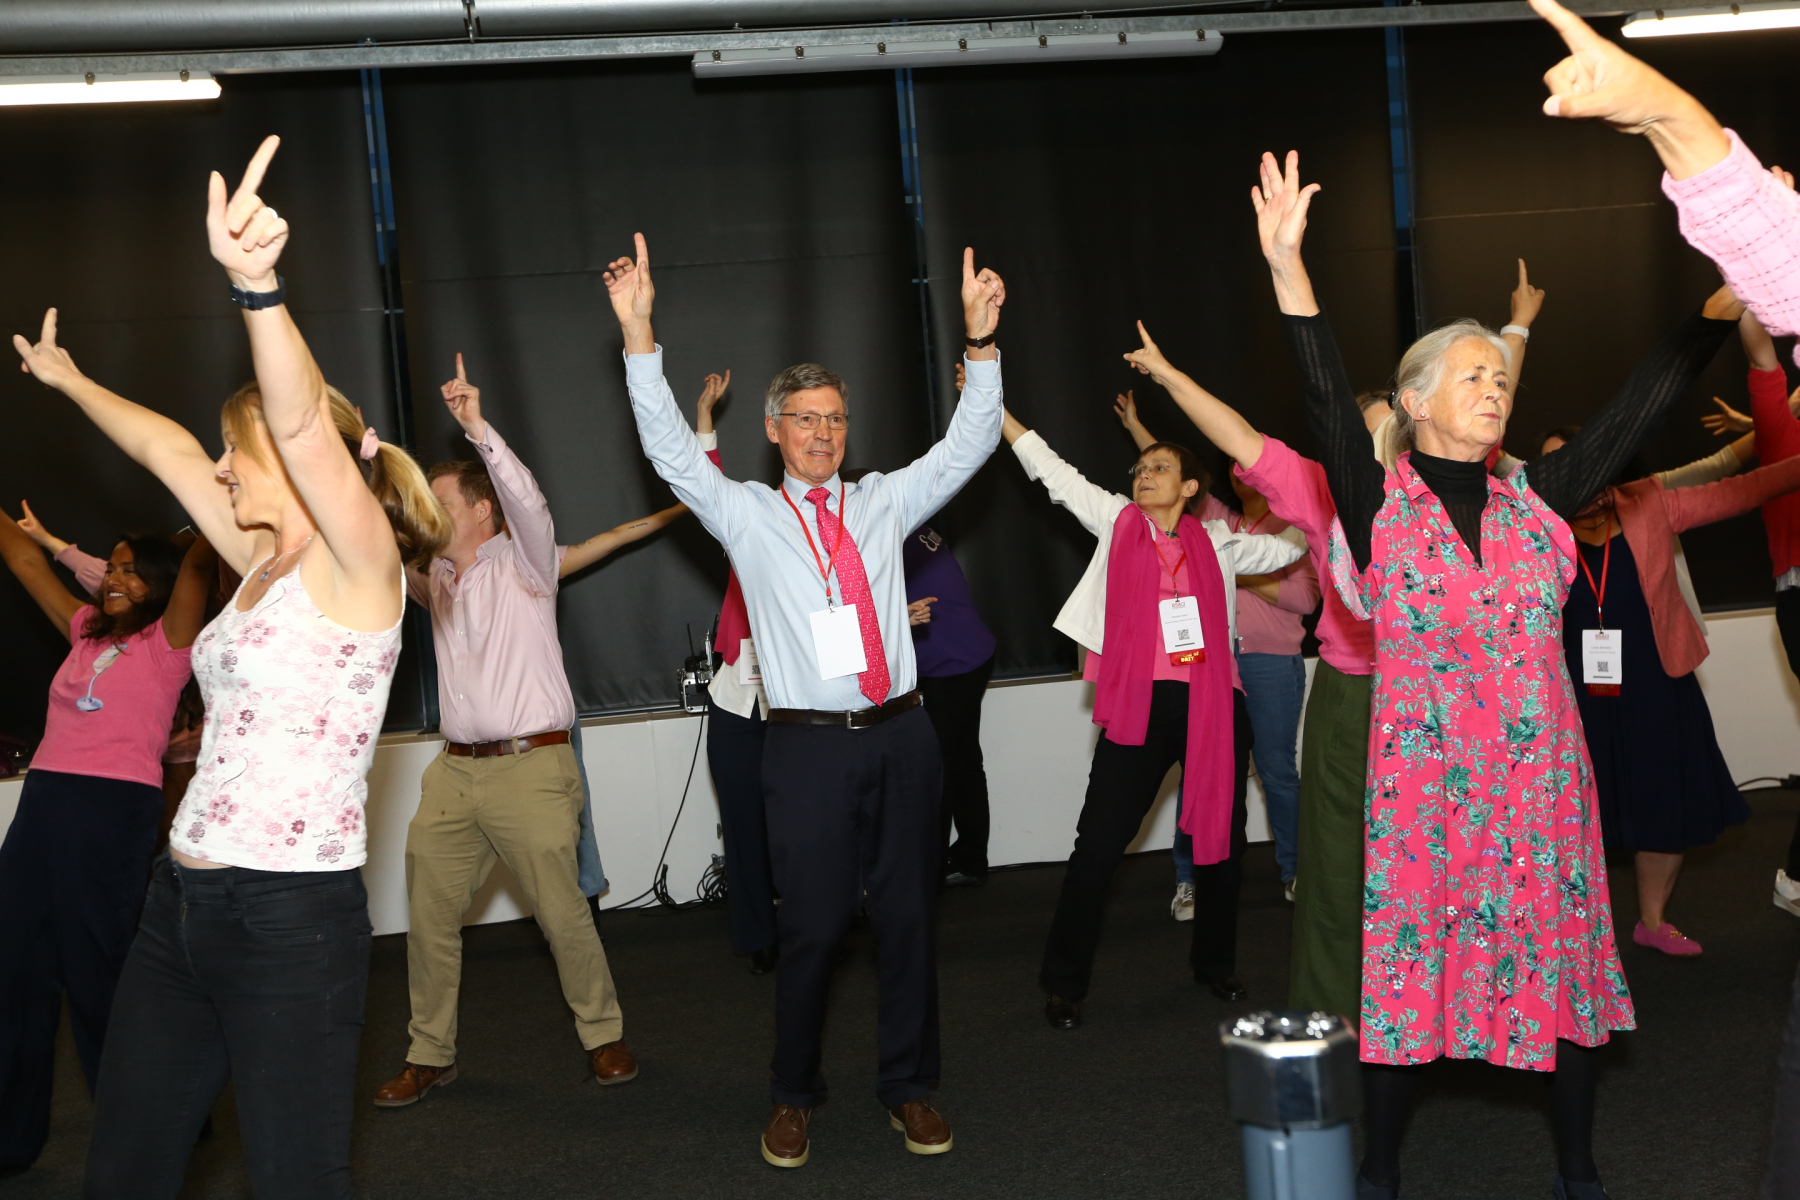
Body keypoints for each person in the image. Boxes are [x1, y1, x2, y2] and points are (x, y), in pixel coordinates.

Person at [1255, 146, 1740, 1199]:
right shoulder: (1378, 508)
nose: (1494, 388)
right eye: (1472, 374)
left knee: (1560, 977)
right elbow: (1327, 401)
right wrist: (1289, 269)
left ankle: (1578, 1169)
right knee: (1405, 981)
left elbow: (1640, 404)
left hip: (1542, 794)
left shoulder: (1541, 499)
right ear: (1416, 403)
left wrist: (1712, 311)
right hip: (1426, 800)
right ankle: (1381, 1170)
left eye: (1501, 377)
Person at [12, 136, 450, 1199]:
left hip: (290, 923)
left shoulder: (360, 567)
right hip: (181, 903)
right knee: (126, 1162)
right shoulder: (257, 561)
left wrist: (257, 286)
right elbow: (165, 448)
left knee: (296, 1177)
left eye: (235, 453)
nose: (218, 468)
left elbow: (296, 420)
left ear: (300, 467)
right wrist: (71, 382)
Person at [606, 232, 1004, 1167]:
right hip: (808, 751)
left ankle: (909, 1086)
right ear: (774, 430)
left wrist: (981, 345)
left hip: (903, 738)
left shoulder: (884, 501)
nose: (823, 434)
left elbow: (971, 442)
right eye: (806, 419)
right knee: (814, 929)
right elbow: (668, 451)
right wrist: (638, 335)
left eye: (835, 419)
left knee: (908, 922)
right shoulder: (747, 513)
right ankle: (793, 1094)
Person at [1526, 10, 1800, 1191]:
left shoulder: (1647, 506)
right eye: (1564, 464)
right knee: (1582, 811)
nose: (1580, 474)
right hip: (1570, 691)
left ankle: (1650, 917)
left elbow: (1735, 488)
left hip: (1651, 679)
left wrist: (1790, 457)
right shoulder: (1536, 526)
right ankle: (1588, 928)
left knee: (1662, 800)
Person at [374, 354, 641, 1109]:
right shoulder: (433, 579)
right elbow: (374, 540)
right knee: (428, 919)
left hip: (532, 768)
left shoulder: (527, 562)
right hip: (454, 772)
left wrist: (477, 428)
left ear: (482, 511)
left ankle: (603, 1035)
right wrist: (366, 467)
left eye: (440, 501)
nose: (428, 512)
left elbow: (529, 502)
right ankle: (429, 1054)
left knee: (561, 912)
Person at [1001, 398, 1304, 1026]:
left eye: (1160, 468)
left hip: (1215, 707)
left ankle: (1215, 964)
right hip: (1140, 704)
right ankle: (1064, 983)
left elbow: (1284, 550)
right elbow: (1051, 471)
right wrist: (994, 409)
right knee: (1097, 845)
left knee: (1221, 840)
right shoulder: (1116, 520)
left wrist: (1314, 503)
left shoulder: (1219, 541)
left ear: (1190, 488)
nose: (1144, 475)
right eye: (1140, 467)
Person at [0, 514, 211, 1174]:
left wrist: (222, 502)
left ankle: (159, 1123)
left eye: (131, 571)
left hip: (112, 810)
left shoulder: (168, 642)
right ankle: (10, 1138)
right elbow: (25, 561)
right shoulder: (84, 629)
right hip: (44, 804)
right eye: (112, 568)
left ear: (159, 584)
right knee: (14, 965)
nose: (115, 579)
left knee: (100, 975)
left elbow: (198, 564)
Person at [1113, 390, 1318, 910]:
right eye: (1235, 466)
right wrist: (1137, 427)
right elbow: (1173, 478)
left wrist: (1229, 572)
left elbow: (1304, 599)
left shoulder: (1292, 528)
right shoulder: (1219, 520)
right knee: (1199, 768)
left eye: (1252, 466)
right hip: (1213, 664)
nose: (1242, 471)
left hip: (1271, 663)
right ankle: (1189, 878)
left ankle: (1296, 870)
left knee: (1276, 770)